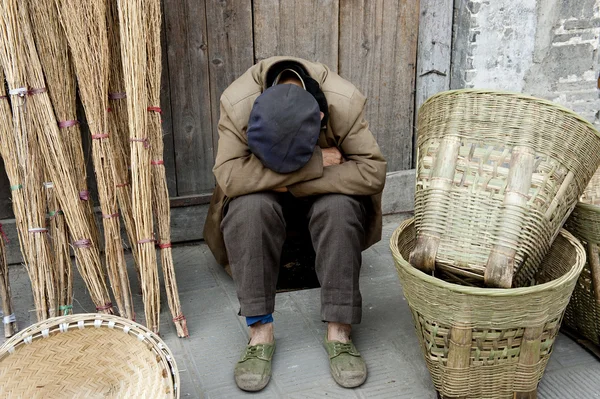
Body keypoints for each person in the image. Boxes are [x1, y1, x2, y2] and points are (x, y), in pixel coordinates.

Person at [204, 56, 387, 392]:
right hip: (268, 197)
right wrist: (317, 165)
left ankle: (339, 330)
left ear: (319, 118)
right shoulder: (237, 102)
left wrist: (287, 179)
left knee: (339, 206)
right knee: (249, 206)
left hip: (322, 197)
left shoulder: (342, 101)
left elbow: (372, 172)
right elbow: (230, 177)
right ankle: (260, 333)